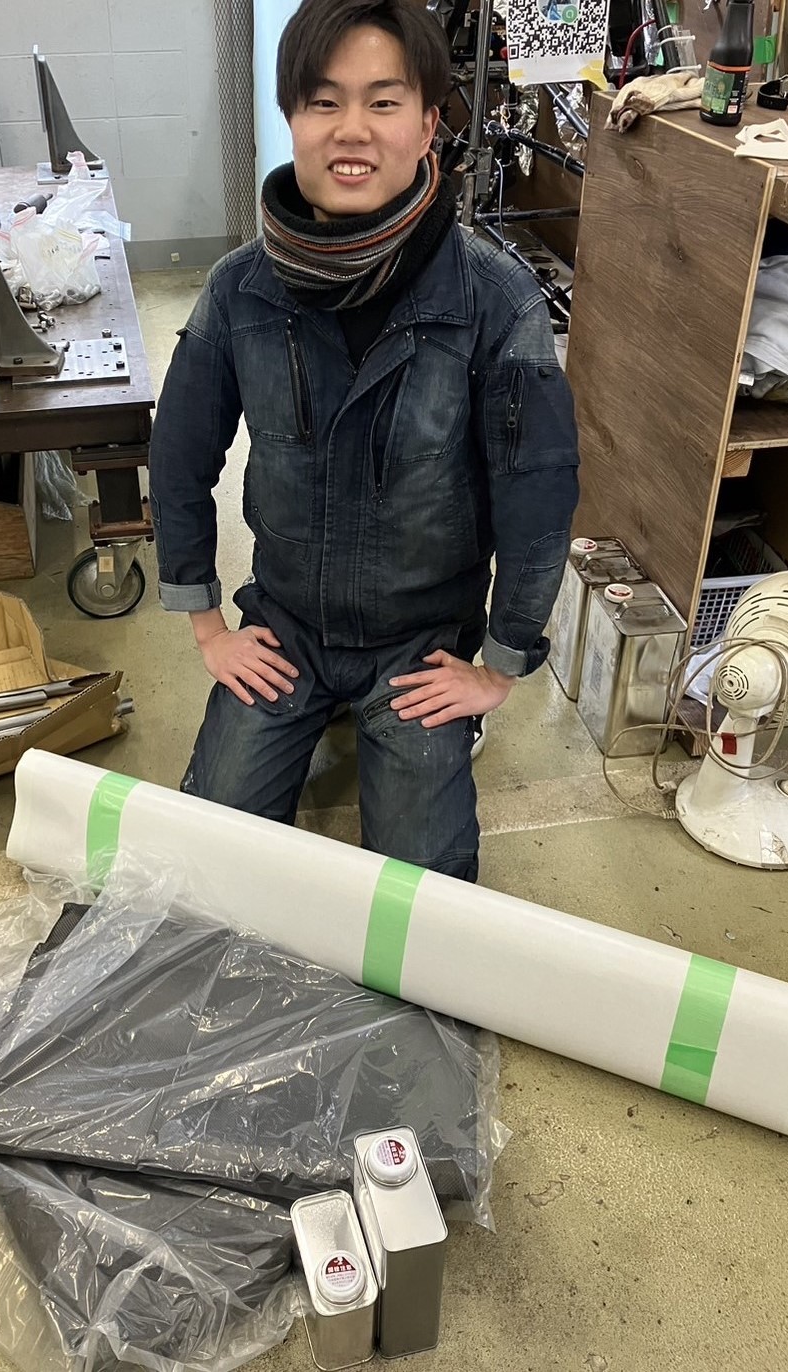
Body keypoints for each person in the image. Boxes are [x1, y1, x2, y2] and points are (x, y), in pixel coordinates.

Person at [148, 0, 579, 884]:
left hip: (420, 646)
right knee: (208, 866)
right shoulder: (239, 289)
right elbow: (179, 453)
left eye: (383, 102)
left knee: (423, 892)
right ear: (292, 117)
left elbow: (538, 491)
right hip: (287, 626)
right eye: (324, 101)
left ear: (427, 124)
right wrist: (208, 628)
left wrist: (498, 665)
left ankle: (440, 726)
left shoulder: (494, 301)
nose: (352, 130)